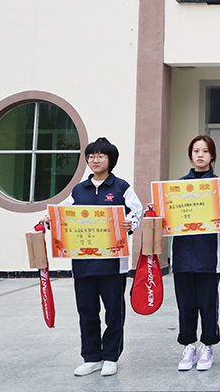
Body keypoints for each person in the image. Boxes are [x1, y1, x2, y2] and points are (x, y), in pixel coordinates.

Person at [53, 137, 143, 377]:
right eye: (91, 156)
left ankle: (111, 356)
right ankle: (91, 356)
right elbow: (63, 214)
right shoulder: (78, 189)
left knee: (114, 311)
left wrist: (129, 223)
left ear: (110, 159)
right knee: (87, 310)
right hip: (83, 263)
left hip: (113, 264)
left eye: (101, 156)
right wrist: (49, 221)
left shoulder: (121, 187)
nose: (95, 160)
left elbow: (137, 211)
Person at [171, 135, 220, 372]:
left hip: (208, 256)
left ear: (212, 156)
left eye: (204, 151)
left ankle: (208, 345)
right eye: (195, 151)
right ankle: (189, 345)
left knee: (208, 304)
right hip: (182, 255)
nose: (200, 155)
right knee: (186, 304)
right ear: (190, 155)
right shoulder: (178, 186)